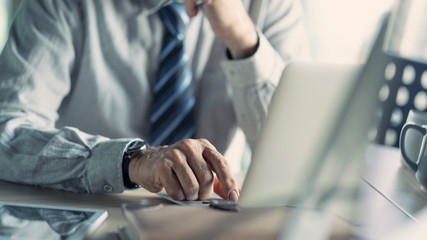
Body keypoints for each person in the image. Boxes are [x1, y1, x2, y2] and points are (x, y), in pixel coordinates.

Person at [0, 0, 310, 202]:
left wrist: (242, 37)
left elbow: (299, 160)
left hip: (209, 215)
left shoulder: (271, 4)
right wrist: (131, 161)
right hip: (92, 215)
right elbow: (6, 133)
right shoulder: (60, 5)